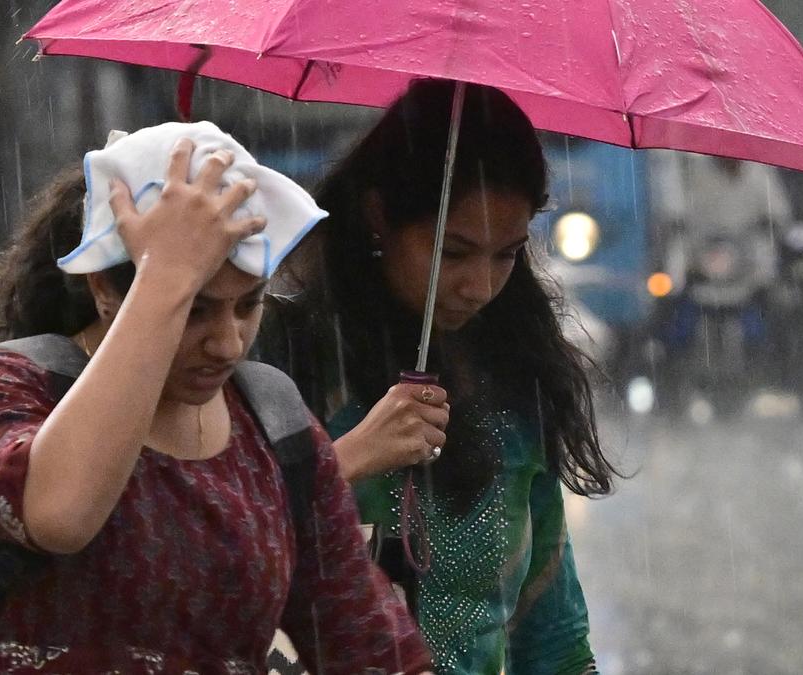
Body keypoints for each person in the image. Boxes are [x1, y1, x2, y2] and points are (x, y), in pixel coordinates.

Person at [0, 134, 432, 673]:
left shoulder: (275, 426)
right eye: (196, 310)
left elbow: (367, 640)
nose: (229, 343)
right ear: (104, 287)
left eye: (248, 305)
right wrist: (166, 277)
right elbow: (60, 515)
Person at [258, 79, 618, 674]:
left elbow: (552, 638)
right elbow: (210, 553)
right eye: (453, 253)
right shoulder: (283, 361)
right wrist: (343, 461)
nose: (479, 286)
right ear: (379, 216)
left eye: (505, 253)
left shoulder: (517, 375)